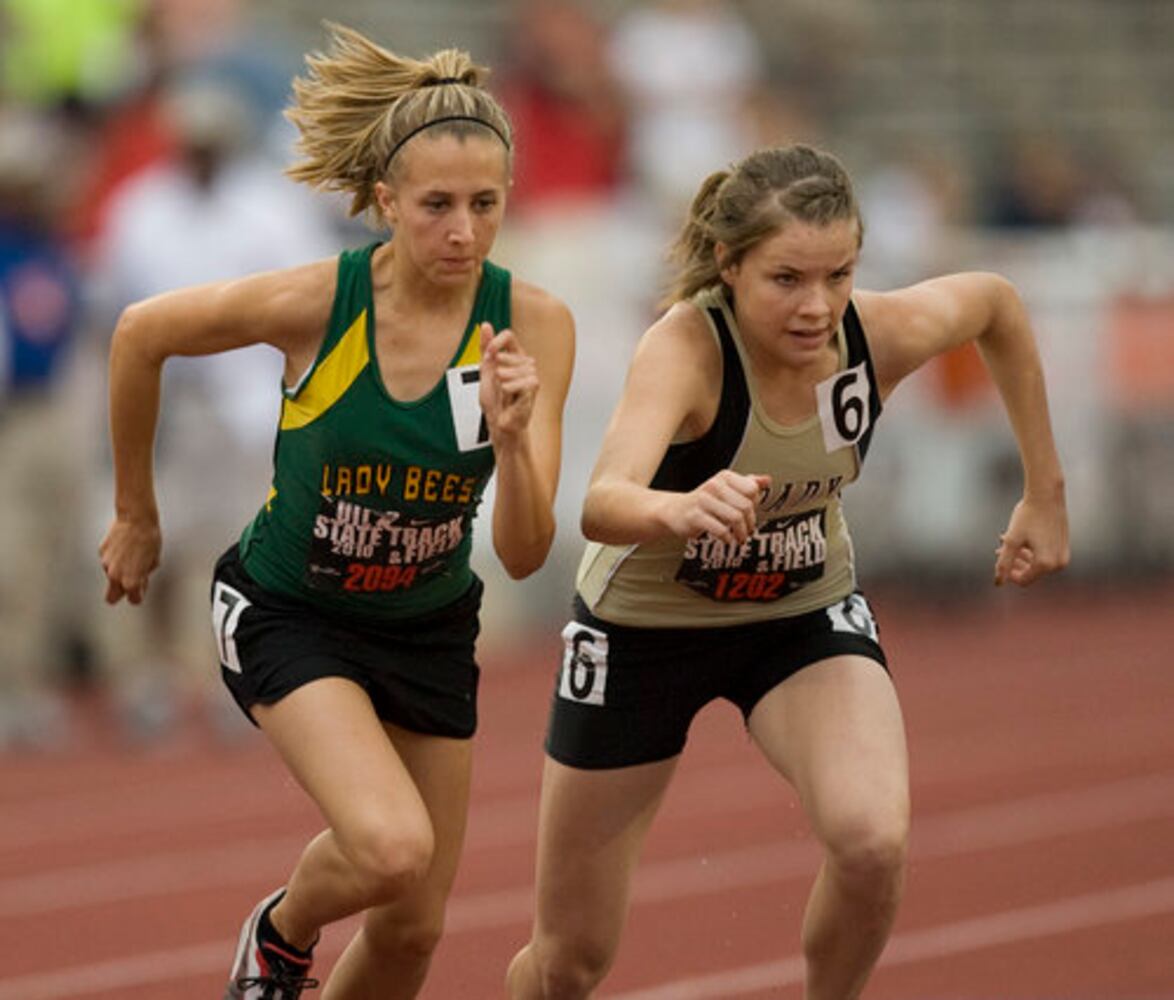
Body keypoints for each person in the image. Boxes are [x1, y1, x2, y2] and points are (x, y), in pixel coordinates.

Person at [506, 143, 1069, 1000]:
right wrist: (679, 509)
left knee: (873, 842)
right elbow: (603, 500)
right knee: (569, 960)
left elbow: (995, 303)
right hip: (642, 633)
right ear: (730, 266)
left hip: (799, 615)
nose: (816, 307)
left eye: (838, 275)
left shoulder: (872, 334)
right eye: (786, 280)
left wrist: (1044, 493)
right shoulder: (687, 350)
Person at [98, 22, 574, 1000]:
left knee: (411, 931)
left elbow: (525, 554)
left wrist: (519, 436)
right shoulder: (324, 300)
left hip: (428, 627)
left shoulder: (533, 324)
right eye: (436, 205)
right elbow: (141, 334)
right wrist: (137, 515)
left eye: (485, 205)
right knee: (391, 845)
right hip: (290, 608)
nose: (462, 232)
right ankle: (277, 937)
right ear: (384, 201)